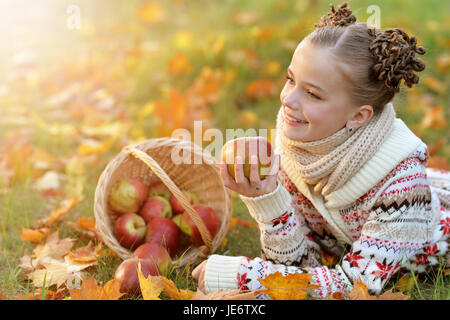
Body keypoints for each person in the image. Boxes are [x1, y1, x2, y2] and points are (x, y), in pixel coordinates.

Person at [192, 2, 450, 298]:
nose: (288, 99)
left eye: (312, 93)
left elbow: (356, 287)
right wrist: (269, 200)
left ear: (358, 116)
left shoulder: (402, 189)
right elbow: (300, 264)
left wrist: (241, 276)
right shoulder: (299, 150)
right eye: (291, 79)